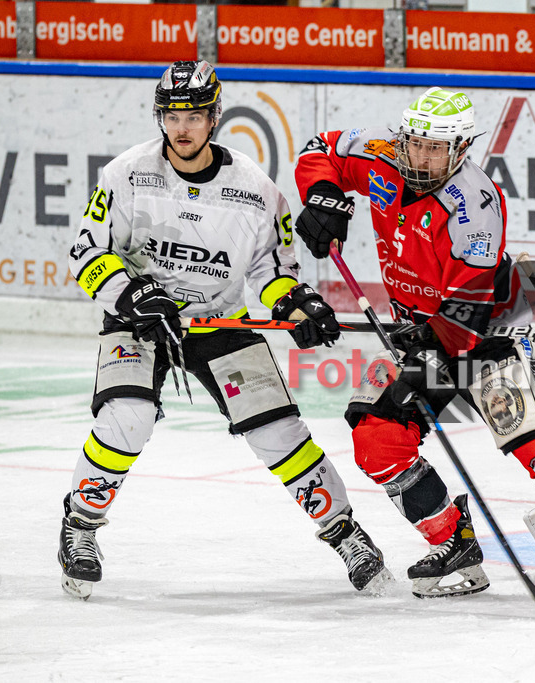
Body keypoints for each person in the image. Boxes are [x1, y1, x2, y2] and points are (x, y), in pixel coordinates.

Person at [292, 87, 535, 606]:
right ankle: (455, 544)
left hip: (485, 332)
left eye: (436, 148)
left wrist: (426, 343)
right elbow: (320, 149)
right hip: (416, 331)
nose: (421, 156)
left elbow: (466, 310)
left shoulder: (476, 205)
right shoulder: (381, 156)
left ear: (461, 149)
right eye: (415, 143)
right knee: (377, 439)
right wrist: (322, 197)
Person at [58, 60, 391, 600]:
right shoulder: (126, 173)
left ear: (214, 118)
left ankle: (346, 533)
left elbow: (272, 272)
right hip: (141, 319)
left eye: (193, 115)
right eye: (171, 115)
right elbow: (84, 251)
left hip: (220, 322)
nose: (181, 127)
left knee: (278, 431)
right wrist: (133, 291)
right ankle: (80, 526)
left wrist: (298, 305)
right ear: (159, 116)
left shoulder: (256, 191)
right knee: (130, 417)